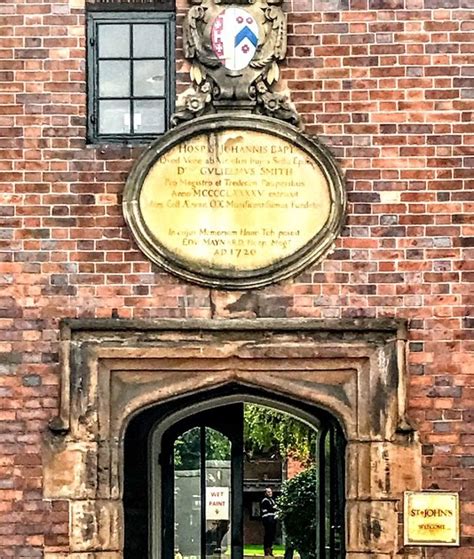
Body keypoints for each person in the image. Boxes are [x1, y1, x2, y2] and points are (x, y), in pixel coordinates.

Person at [260, 487, 277, 557]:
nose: (270, 493)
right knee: (268, 535)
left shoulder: (272, 500)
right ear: (265, 493)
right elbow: (270, 509)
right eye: (268, 492)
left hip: (272, 519)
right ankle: (267, 550)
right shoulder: (265, 501)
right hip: (268, 520)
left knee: (272, 535)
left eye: (270, 492)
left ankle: (270, 549)